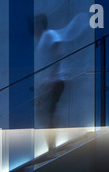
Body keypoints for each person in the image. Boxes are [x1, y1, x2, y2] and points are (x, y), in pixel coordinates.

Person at [33, 13, 66, 153]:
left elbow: (58, 55)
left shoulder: (49, 36)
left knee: (47, 114)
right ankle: (51, 147)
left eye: (36, 24)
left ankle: (52, 148)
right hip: (48, 84)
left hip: (53, 83)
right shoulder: (43, 40)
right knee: (44, 114)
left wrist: (51, 81)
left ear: (40, 24)